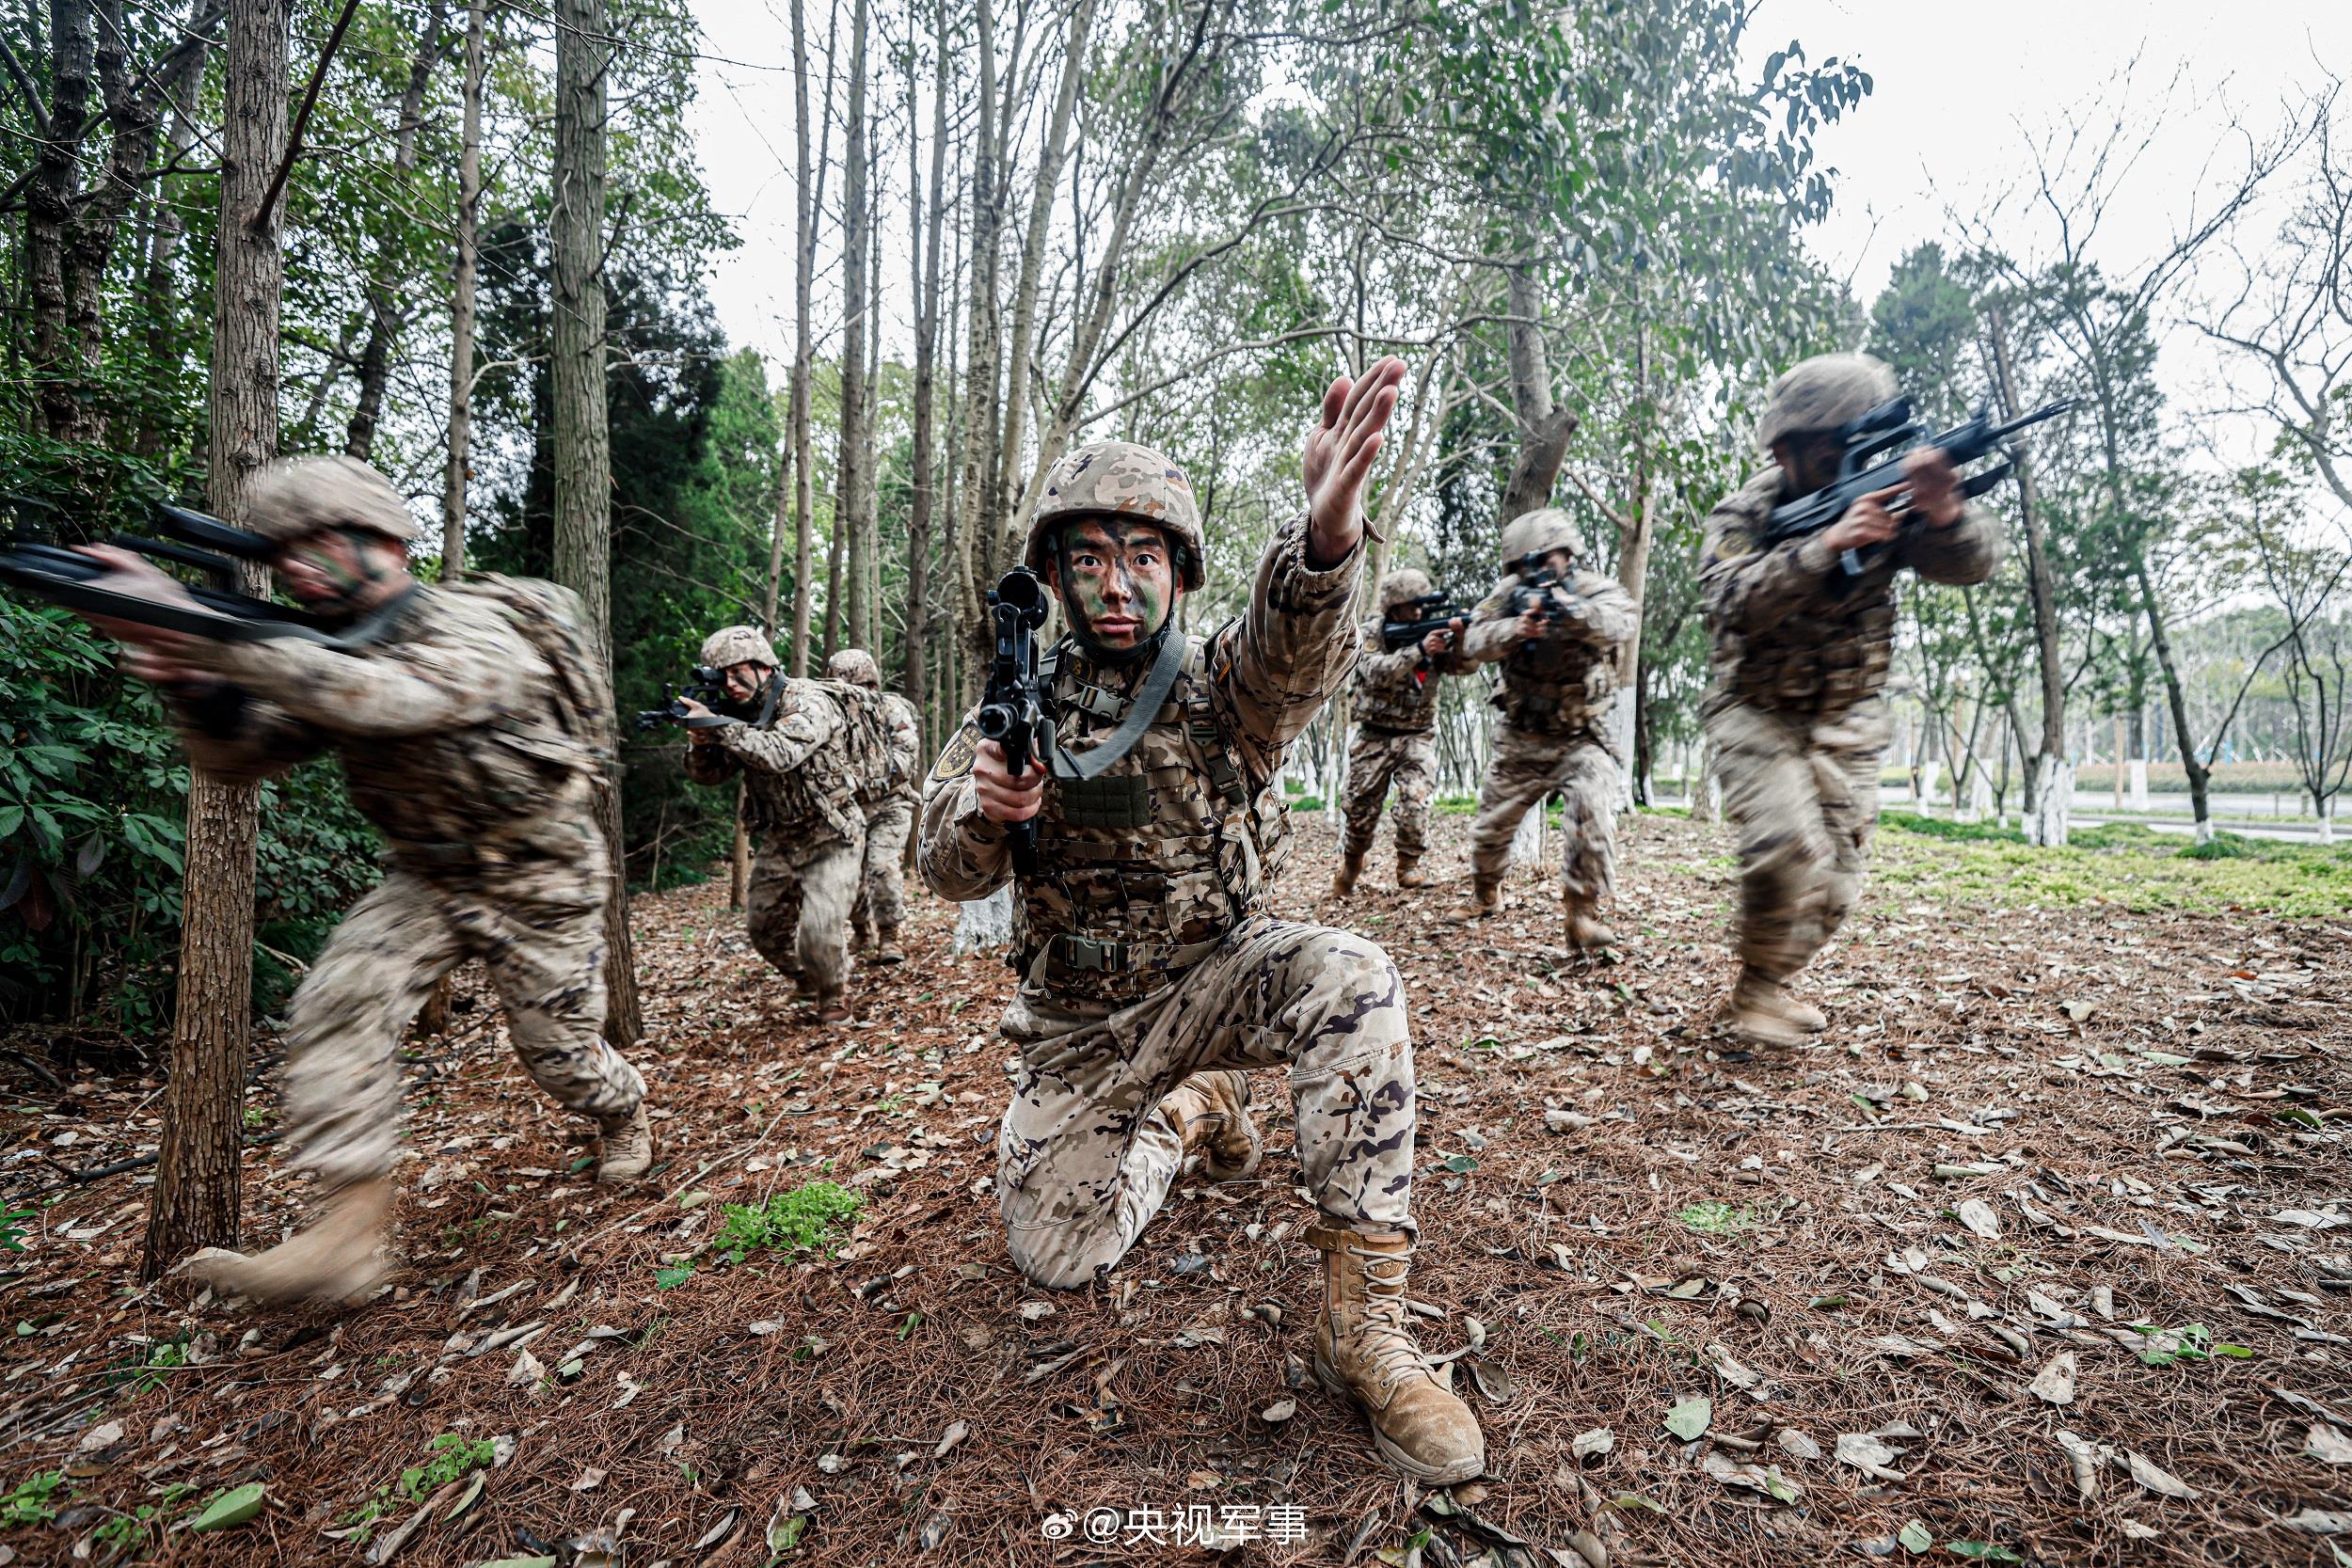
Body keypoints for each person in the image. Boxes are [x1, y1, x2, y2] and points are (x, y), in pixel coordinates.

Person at [919, 359, 1486, 1484]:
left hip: (1222, 970)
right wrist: (988, 811)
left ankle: (1362, 1326)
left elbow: (1291, 655)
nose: (1115, 584)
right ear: (1054, 577)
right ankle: (1188, 1115)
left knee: (1352, 973)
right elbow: (938, 865)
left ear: (1177, 573)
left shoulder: (1218, 684)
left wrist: (1323, 541)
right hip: (1080, 1022)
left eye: (1141, 557)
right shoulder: (1016, 701)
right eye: (1088, 559)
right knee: (1055, 1256)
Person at [72, 454, 650, 1304]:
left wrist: (206, 631)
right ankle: (348, 1230)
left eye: (317, 543)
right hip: (429, 875)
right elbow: (241, 758)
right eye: (281, 554)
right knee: (339, 992)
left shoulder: (468, 629)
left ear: (385, 541)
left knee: (561, 1056)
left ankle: (621, 1105)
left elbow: (381, 700)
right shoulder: (319, 641)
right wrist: (196, 684)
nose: (296, 568)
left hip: (541, 873)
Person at [1700, 352, 2001, 1045]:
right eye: (1836, 447)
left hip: (1849, 715)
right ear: (1786, 449)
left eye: (1859, 446)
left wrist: (1946, 514)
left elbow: (1975, 562)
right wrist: (1825, 546)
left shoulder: (1889, 493)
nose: (1850, 461)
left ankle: (1765, 984)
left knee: (1835, 888)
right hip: (1756, 708)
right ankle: (1755, 996)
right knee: (1785, 846)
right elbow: (1726, 601)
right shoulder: (1747, 510)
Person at [1444, 509, 1638, 948]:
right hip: (1521, 737)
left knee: (1592, 811)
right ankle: (1486, 894)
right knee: (1491, 831)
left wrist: (1568, 611)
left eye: (1549, 557)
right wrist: (1517, 627)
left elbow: (1621, 624)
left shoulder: (1593, 589)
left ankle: (1580, 915)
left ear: (1568, 553)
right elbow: (1474, 641)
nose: (1541, 567)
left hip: (1580, 736)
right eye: (1529, 561)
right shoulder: (1508, 593)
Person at [680, 628, 890, 1022]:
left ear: (763, 666)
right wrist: (701, 743)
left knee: (819, 929)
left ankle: (833, 994)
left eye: (737, 672)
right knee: (764, 930)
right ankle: (806, 979)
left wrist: (720, 727)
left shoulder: (807, 700)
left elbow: (781, 753)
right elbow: (709, 776)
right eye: (720, 677)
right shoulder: (736, 713)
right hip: (779, 837)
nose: (730, 684)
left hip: (832, 833)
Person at [1331, 568, 1460, 895]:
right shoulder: (1372, 633)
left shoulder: (1434, 632)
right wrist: (1419, 651)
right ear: (1393, 607)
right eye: (1411, 605)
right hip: (1373, 734)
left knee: (1415, 800)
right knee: (1359, 809)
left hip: (1417, 734)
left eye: (1421, 606)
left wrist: (1460, 646)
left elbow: (1462, 667)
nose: (1418, 612)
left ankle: (1409, 866)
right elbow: (1372, 671)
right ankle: (1351, 864)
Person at [825, 648, 920, 963]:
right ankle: (862, 930)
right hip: (849, 808)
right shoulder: (831, 717)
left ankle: (889, 936)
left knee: (881, 867)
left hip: (892, 805)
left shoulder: (892, 710)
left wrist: (868, 776)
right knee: (846, 872)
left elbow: (907, 756)